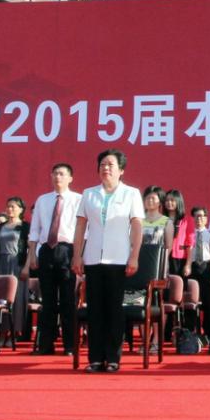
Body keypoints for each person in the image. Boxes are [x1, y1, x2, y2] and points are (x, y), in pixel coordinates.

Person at [73, 149, 144, 372]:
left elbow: (137, 226)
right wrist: (77, 255)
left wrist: (134, 255)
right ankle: (95, 358)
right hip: (93, 258)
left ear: (121, 170)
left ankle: (113, 358)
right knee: (94, 309)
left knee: (114, 309)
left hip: (119, 257)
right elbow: (81, 226)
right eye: (102, 164)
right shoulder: (89, 194)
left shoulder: (131, 194)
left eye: (111, 165)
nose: (106, 168)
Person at [28, 162, 82, 355]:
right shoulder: (42, 200)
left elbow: (83, 231)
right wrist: (32, 255)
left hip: (68, 250)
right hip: (46, 251)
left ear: (70, 178)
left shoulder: (78, 199)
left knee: (68, 300)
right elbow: (35, 229)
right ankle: (46, 345)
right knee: (48, 300)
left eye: (62, 174)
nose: (58, 177)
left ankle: (70, 345)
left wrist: (78, 256)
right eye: (55, 174)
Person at [0, 196, 31, 344]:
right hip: (1, 264)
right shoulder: (0, 227)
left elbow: (30, 248)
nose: (10, 209)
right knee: (0, 298)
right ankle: (1, 333)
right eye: (8, 206)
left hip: (17, 264)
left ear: (21, 209)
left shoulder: (25, 227)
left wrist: (26, 266)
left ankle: (13, 333)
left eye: (13, 206)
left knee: (16, 298)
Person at [183, 205, 210, 344]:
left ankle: (209, 334)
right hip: (191, 268)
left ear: (206, 219)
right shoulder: (187, 235)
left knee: (208, 303)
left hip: (207, 268)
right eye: (196, 216)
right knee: (190, 302)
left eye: (202, 216)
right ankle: (190, 332)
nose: (199, 219)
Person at [165, 189, 194, 276]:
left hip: (179, 258)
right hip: (163, 256)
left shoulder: (187, 220)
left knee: (178, 282)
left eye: (172, 200)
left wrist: (188, 265)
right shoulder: (162, 219)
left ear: (178, 201)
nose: (169, 202)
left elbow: (190, 244)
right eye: (167, 200)